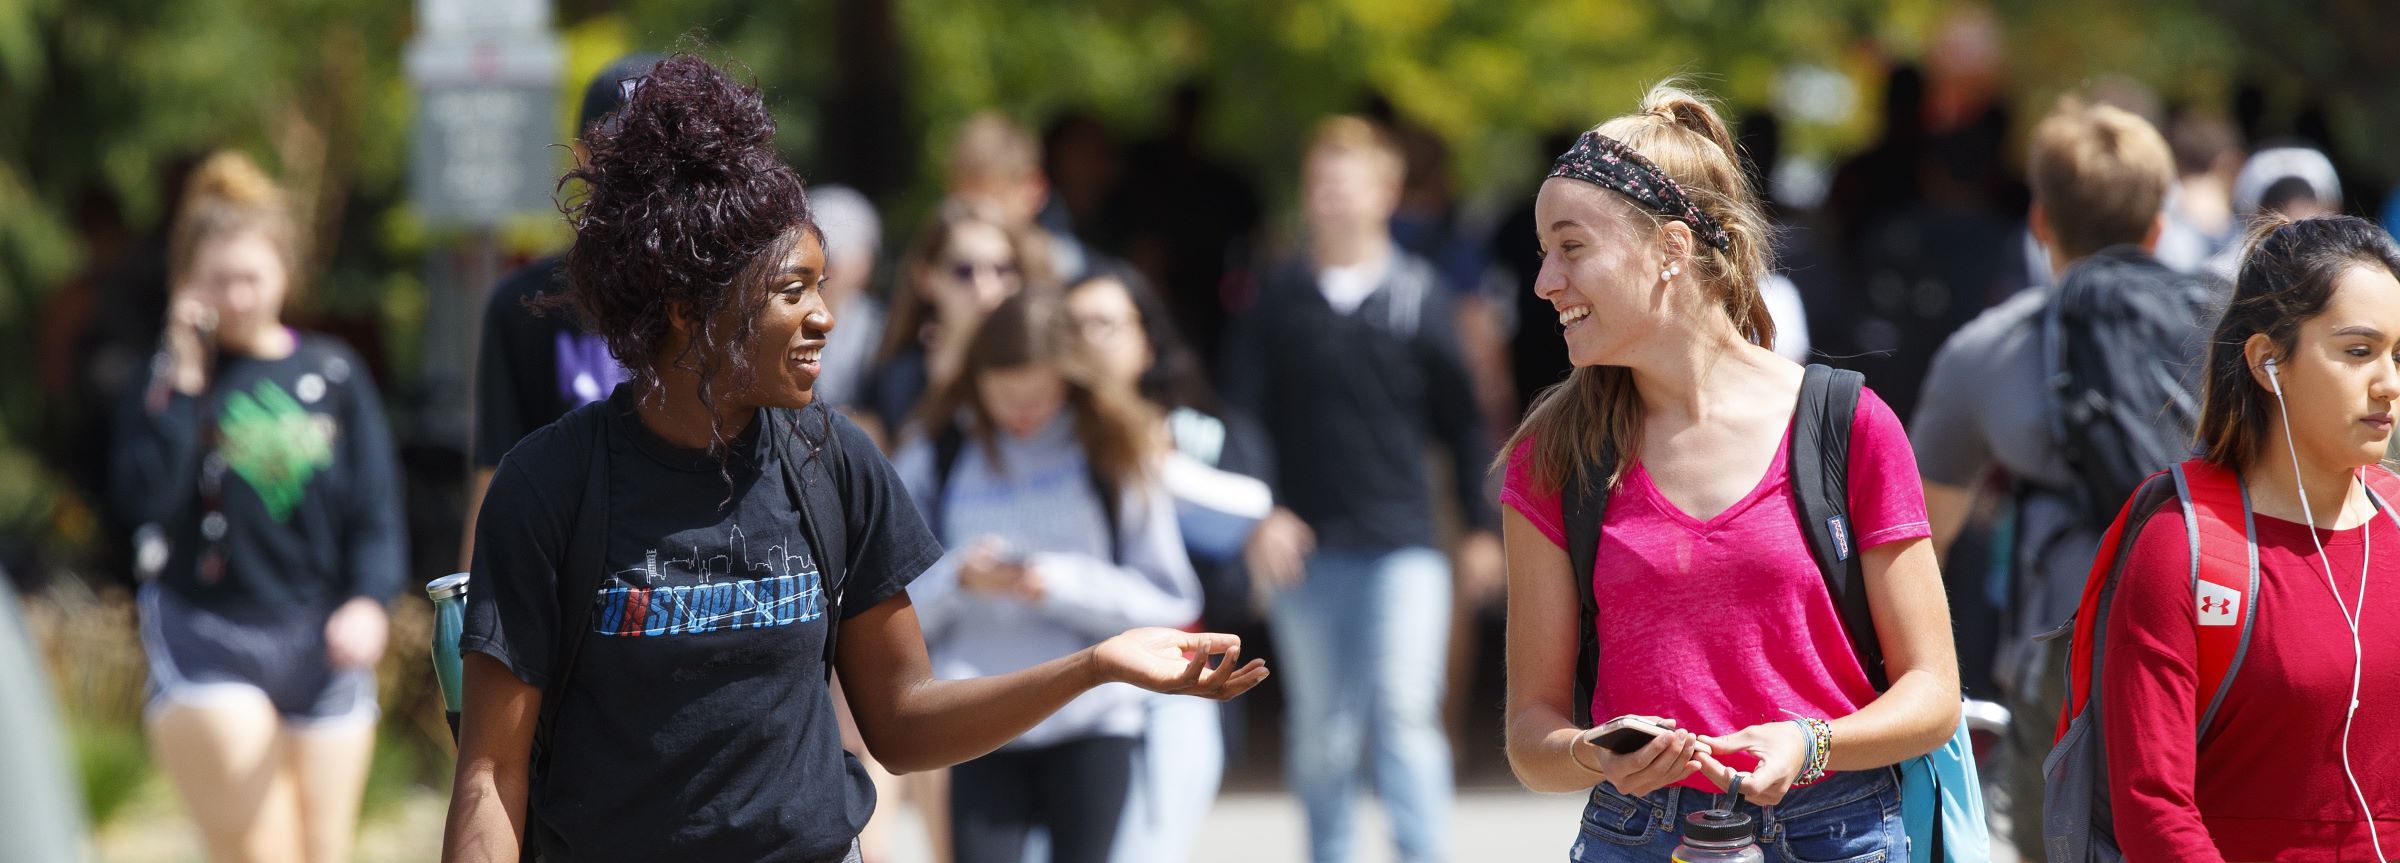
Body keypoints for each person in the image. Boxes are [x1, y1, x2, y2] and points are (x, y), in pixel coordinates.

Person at [441, 55, 1266, 863]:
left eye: (823, 285)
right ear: (690, 309)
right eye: (791, 290)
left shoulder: (833, 461)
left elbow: (903, 722)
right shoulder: (552, 486)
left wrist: (1094, 666)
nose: (825, 318)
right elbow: (492, 769)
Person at [1496, 84, 1961, 862]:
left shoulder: (1845, 425)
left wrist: (1808, 742)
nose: (1545, 280)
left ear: (1673, 250)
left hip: (1840, 835)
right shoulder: (1556, 455)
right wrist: (1593, 751)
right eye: (1546, 252)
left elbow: (1934, 695)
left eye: (1572, 247)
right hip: (1636, 836)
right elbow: (1530, 736)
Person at [1908, 96, 2220, 861]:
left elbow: (1917, 546)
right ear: (2157, 224)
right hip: (2219, 637)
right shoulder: (2229, 325)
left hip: (2064, 650)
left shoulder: (1988, 350)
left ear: (2040, 220)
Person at [1220, 115, 1501, 863]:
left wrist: (1479, 528)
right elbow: (1239, 417)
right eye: (1320, 183)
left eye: (1347, 181)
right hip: (1305, 549)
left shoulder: (1420, 295)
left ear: (1388, 192)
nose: (1332, 197)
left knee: (1407, 710)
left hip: (1403, 542)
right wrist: (1260, 509)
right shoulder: (1276, 301)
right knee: (1322, 725)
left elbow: (1465, 422)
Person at [113, 150, 405, 863]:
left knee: (322, 847)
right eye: (219, 280)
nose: (237, 296)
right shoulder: (170, 381)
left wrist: (369, 599)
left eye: (250, 277)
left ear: (283, 271)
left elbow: (375, 509)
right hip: (207, 637)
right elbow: (144, 499)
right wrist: (185, 375)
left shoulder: (334, 373)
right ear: (189, 283)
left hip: (319, 640)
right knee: (263, 846)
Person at [2098, 214, 2400, 861]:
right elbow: (2153, 806)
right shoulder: (2183, 545)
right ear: (2268, 361)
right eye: (2358, 350)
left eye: (2399, 355)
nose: (2389, 384)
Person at [889, 289, 1202, 863]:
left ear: (1071, 376)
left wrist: (1060, 584)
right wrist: (959, 577)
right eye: (1005, 395)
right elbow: (887, 605)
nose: (1023, 413)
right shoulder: (938, 451)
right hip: (979, 713)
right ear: (976, 381)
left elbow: (1170, 601)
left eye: (1039, 393)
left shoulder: (1112, 449)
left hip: (1093, 719)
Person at [1063, 266, 1311, 863]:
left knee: (1153, 847)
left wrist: (1260, 519)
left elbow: (1251, 502)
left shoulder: (1195, 430)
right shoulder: (1036, 436)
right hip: (1071, 672)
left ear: (1147, 340)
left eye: (1105, 324)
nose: (1089, 341)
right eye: (1072, 327)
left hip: (1177, 667)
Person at [462, 54, 652, 566]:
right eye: (621, 152)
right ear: (582, 156)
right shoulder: (525, 304)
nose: (640, 172)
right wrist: (466, 616)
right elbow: (495, 475)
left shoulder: (722, 296)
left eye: (657, 151)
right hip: (567, 576)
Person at [863, 209, 1051, 445]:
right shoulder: (895, 379)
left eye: (1002, 270)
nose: (986, 288)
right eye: (964, 271)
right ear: (925, 277)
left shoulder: (1047, 366)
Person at [808, 183, 888, 412]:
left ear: (865, 264)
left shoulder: (881, 329)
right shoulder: (778, 325)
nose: (825, 272)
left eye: (833, 261)